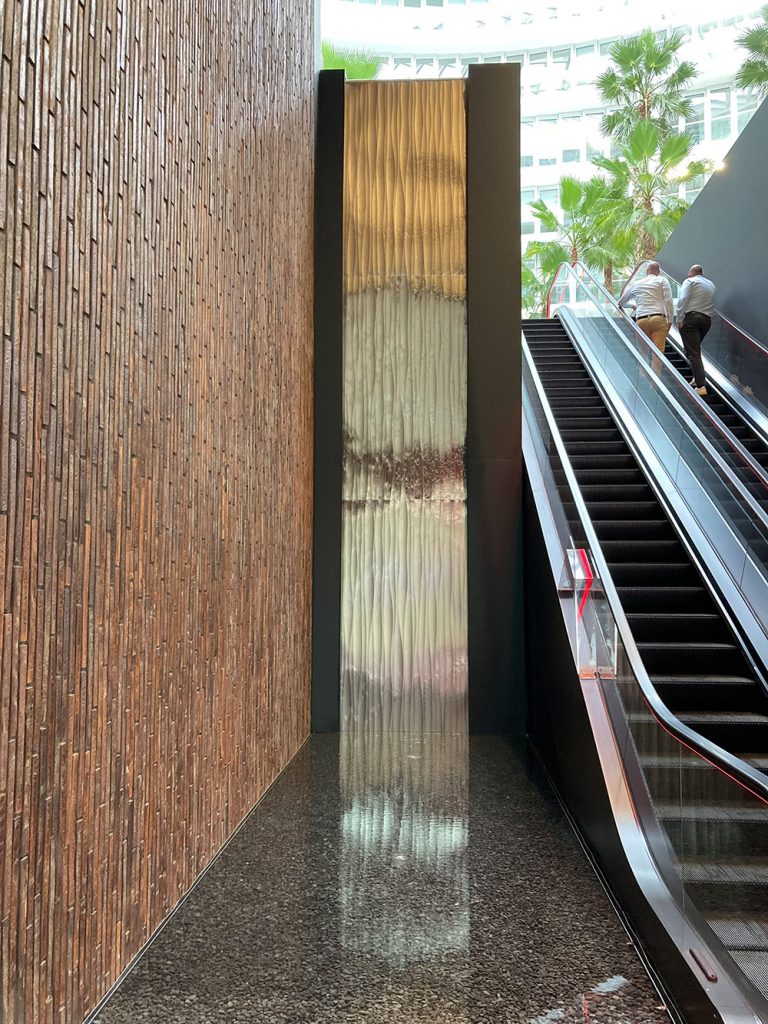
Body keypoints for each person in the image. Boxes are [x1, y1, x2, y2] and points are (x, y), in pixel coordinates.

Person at [675, 264, 716, 397]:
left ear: (690, 273)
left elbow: (683, 299)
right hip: (706, 320)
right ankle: (697, 376)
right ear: (701, 273)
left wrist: (679, 318)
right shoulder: (711, 284)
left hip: (691, 319)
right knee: (693, 350)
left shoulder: (689, 281)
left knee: (693, 352)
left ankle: (701, 385)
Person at [618, 261, 674, 357]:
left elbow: (620, 303)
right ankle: (656, 367)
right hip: (658, 319)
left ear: (647, 271)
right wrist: (670, 320)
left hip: (641, 320)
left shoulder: (636, 283)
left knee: (643, 354)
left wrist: (631, 306)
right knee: (658, 354)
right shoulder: (662, 280)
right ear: (658, 272)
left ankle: (643, 367)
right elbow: (668, 300)